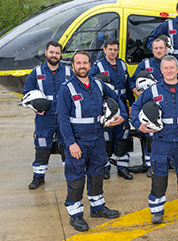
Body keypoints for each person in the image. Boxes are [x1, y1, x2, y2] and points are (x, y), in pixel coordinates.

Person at [57, 51, 128, 232]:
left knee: (96, 174)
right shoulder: (67, 89)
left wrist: (122, 116)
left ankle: (97, 207)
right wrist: (71, 143)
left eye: (85, 63)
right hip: (78, 142)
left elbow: (118, 98)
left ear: (90, 65)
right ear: (73, 66)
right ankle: (75, 214)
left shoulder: (98, 84)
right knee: (76, 178)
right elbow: (63, 119)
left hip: (97, 140)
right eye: (78, 63)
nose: (82, 66)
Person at [131, 55, 178, 224]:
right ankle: (157, 210)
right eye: (166, 68)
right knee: (159, 176)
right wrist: (138, 124)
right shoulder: (153, 90)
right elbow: (135, 107)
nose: (169, 71)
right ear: (161, 71)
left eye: (172, 68)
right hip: (161, 141)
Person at [24, 41, 73, 190]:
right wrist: (35, 107)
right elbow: (27, 92)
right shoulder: (37, 72)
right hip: (45, 117)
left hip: (64, 116)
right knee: (42, 146)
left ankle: (71, 175)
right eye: (52, 52)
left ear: (61, 55)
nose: (54, 55)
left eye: (57, 53)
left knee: (66, 145)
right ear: (46, 53)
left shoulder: (68, 72)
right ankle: (38, 178)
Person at [89, 38, 135, 180]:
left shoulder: (122, 64)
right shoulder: (98, 66)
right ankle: (105, 167)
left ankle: (123, 167)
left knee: (123, 136)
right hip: (106, 106)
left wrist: (131, 104)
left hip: (122, 104)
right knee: (106, 139)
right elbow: (91, 87)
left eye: (115, 49)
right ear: (104, 50)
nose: (113, 52)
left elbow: (127, 85)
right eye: (110, 49)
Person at [130, 37, 170, 177]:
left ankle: (166, 161)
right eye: (156, 48)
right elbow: (132, 81)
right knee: (150, 135)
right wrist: (138, 93)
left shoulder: (171, 63)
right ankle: (149, 164)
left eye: (161, 48)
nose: (159, 51)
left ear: (166, 49)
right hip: (150, 106)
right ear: (152, 50)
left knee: (167, 134)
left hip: (167, 105)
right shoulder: (145, 64)